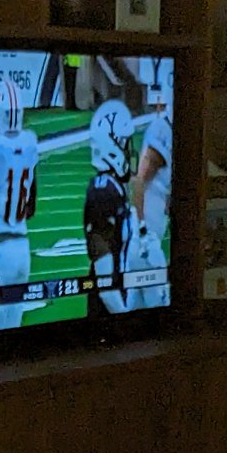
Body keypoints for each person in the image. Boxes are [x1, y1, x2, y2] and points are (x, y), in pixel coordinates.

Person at [0, 78, 40, 332]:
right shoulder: (29, 142)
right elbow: (32, 201)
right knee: (12, 329)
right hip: (23, 248)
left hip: (3, 249)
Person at [84, 98, 141, 317]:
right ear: (113, 144)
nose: (129, 150)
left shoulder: (114, 188)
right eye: (125, 143)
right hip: (108, 316)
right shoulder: (103, 192)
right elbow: (106, 285)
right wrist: (126, 317)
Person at [131, 56, 173, 308]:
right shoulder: (163, 129)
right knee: (159, 306)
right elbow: (140, 181)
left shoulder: (166, 126)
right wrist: (143, 231)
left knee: (135, 310)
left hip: (145, 240)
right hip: (147, 243)